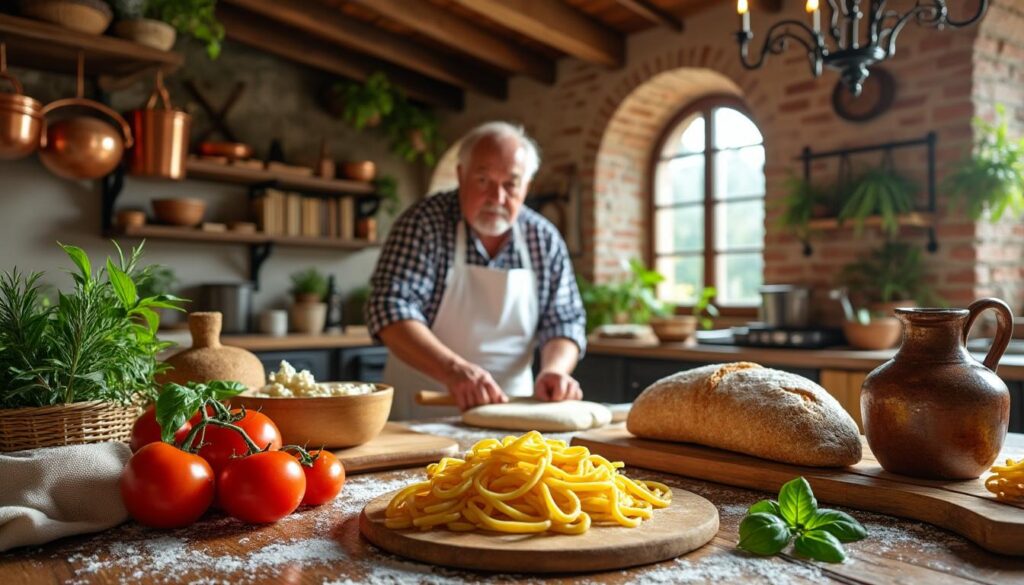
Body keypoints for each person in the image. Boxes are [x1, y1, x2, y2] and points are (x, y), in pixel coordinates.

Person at [366, 121, 587, 419]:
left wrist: (554, 371)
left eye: (511, 184)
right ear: (461, 175)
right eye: (483, 181)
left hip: (511, 412)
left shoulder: (543, 239)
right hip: (422, 409)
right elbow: (389, 309)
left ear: (527, 186)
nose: (497, 198)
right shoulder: (423, 224)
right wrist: (455, 371)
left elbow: (564, 320)